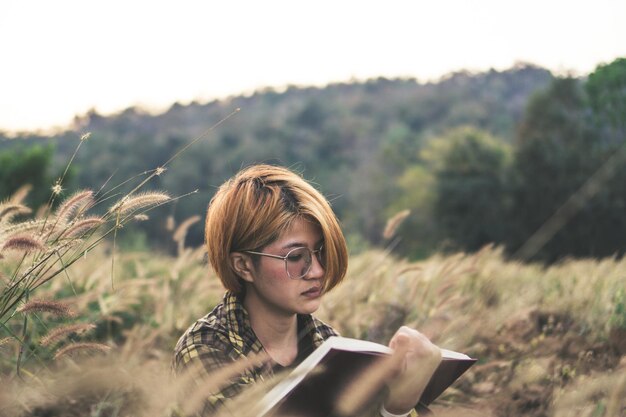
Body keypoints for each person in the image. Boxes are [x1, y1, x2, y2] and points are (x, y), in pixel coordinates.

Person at [173, 164, 442, 416]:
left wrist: (400, 406)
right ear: (244, 266)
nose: (318, 271)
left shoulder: (331, 345)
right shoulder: (205, 348)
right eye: (294, 257)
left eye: (321, 252)